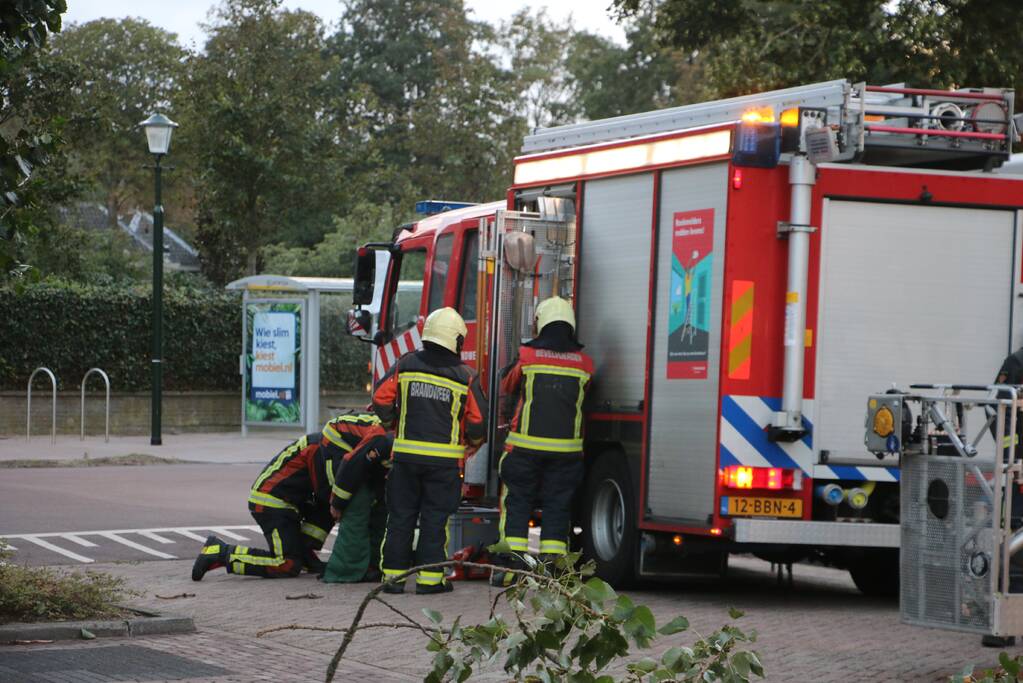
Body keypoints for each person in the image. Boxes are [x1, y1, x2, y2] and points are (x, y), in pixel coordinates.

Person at [191, 412, 384, 580]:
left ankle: (305, 554)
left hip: (294, 502)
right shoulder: (322, 450)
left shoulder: (335, 446)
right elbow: (328, 491)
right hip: (272, 502)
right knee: (286, 564)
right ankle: (221, 553)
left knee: (324, 515)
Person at [374, 307, 487, 594]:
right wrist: (470, 445)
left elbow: (380, 398)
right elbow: (478, 424)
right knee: (435, 521)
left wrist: (392, 426)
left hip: (405, 460)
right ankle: (429, 581)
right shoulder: (466, 376)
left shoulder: (406, 363)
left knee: (400, 517)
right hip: (444, 466)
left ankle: (392, 579)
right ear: (457, 340)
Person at [491, 296, 594, 587]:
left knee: (517, 505)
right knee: (558, 509)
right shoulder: (585, 363)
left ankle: (512, 570)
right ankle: (554, 573)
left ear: (541, 323)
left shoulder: (527, 356)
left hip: (523, 450)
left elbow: (507, 384)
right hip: (567, 455)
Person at [983, 346, 1023, 647]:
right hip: (1019, 471)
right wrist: (1014, 458)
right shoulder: (1018, 362)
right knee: (1011, 546)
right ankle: (1005, 624)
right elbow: (998, 409)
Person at [321, 433, 394, 583]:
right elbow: (352, 467)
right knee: (356, 510)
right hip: (340, 445)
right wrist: (338, 503)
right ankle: (344, 572)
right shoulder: (384, 442)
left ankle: (372, 566)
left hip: (369, 456)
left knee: (381, 511)